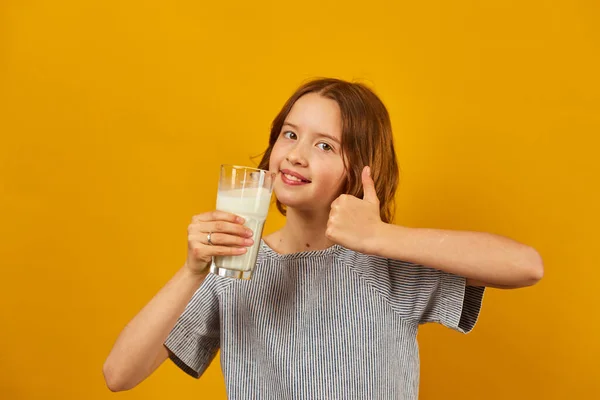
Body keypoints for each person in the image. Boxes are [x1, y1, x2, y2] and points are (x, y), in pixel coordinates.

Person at [103, 78, 544, 399]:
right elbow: (119, 374)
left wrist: (380, 236)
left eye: (325, 145)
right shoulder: (235, 265)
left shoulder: (383, 262)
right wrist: (191, 270)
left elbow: (526, 266)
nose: (295, 154)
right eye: (290, 135)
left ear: (361, 168)